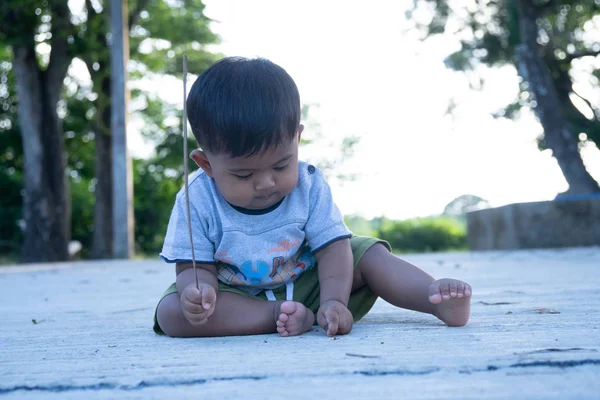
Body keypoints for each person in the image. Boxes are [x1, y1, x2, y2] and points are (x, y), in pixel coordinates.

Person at [154, 57, 472, 338]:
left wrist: (335, 300)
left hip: (314, 282)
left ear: (297, 138)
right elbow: (192, 266)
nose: (265, 183)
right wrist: (198, 291)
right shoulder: (195, 198)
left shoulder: (309, 183)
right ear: (206, 163)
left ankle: (433, 299)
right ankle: (276, 316)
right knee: (172, 313)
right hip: (237, 297)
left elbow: (332, 247)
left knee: (367, 253)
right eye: (243, 175)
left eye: (281, 164)